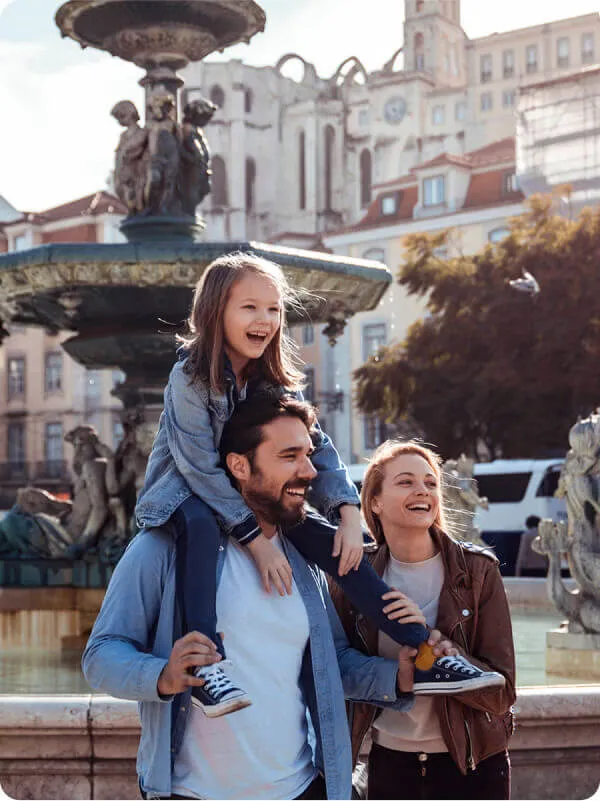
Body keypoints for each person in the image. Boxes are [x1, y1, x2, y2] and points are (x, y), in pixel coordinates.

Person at [135, 252, 503, 717]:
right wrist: (258, 543)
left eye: (273, 309)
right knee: (201, 527)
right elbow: (199, 469)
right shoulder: (188, 378)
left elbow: (318, 445)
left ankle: (426, 651)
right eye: (249, 307)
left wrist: (347, 514)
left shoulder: (274, 378)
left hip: (259, 495)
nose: (264, 320)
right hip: (186, 495)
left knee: (341, 551)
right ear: (215, 312)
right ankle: (208, 665)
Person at [83, 391, 460, 800]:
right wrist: (164, 676)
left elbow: (329, 660)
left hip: (303, 789)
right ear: (240, 466)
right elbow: (101, 654)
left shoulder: (302, 556)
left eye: (309, 455)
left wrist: (397, 675)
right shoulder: (163, 549)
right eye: (289, 456)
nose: (310, 471)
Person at [330, 440, 516, 801]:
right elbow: (336, 670)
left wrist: (444, 651)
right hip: (390, 764)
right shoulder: (354, 576)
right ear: (375, 502)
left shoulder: (478, 572)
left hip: (473, 766)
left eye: (430, 483)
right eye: (406, 482)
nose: (423, 490)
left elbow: (503, 693)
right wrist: (393, 673)